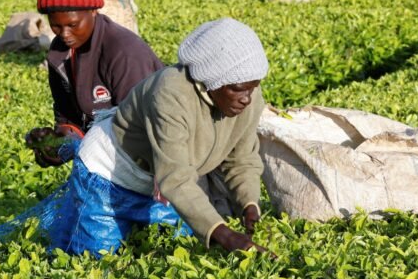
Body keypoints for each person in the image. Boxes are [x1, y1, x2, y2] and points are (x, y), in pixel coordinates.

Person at [43, 17, 273, 256]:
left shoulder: (249, 98)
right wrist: (226, 236)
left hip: (155, 180)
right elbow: (175, 178)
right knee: (93, 262)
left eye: (253, 86)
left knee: (169, 249)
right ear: (211, 81)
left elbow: (242, 157)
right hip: (110, 174)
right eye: (236, 89)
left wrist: (249, 204)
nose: (246, 98)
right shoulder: (171, 93)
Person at [25, 0, 163, 167]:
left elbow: (142, 132)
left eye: (73, 24)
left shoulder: (124, 52)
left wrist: (91, 151)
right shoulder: (59, 54)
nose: (64, 34)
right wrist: (55, 145)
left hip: (147, 162)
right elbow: (68, 118)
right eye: (56, 26)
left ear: (93, 10)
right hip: (105, 158)